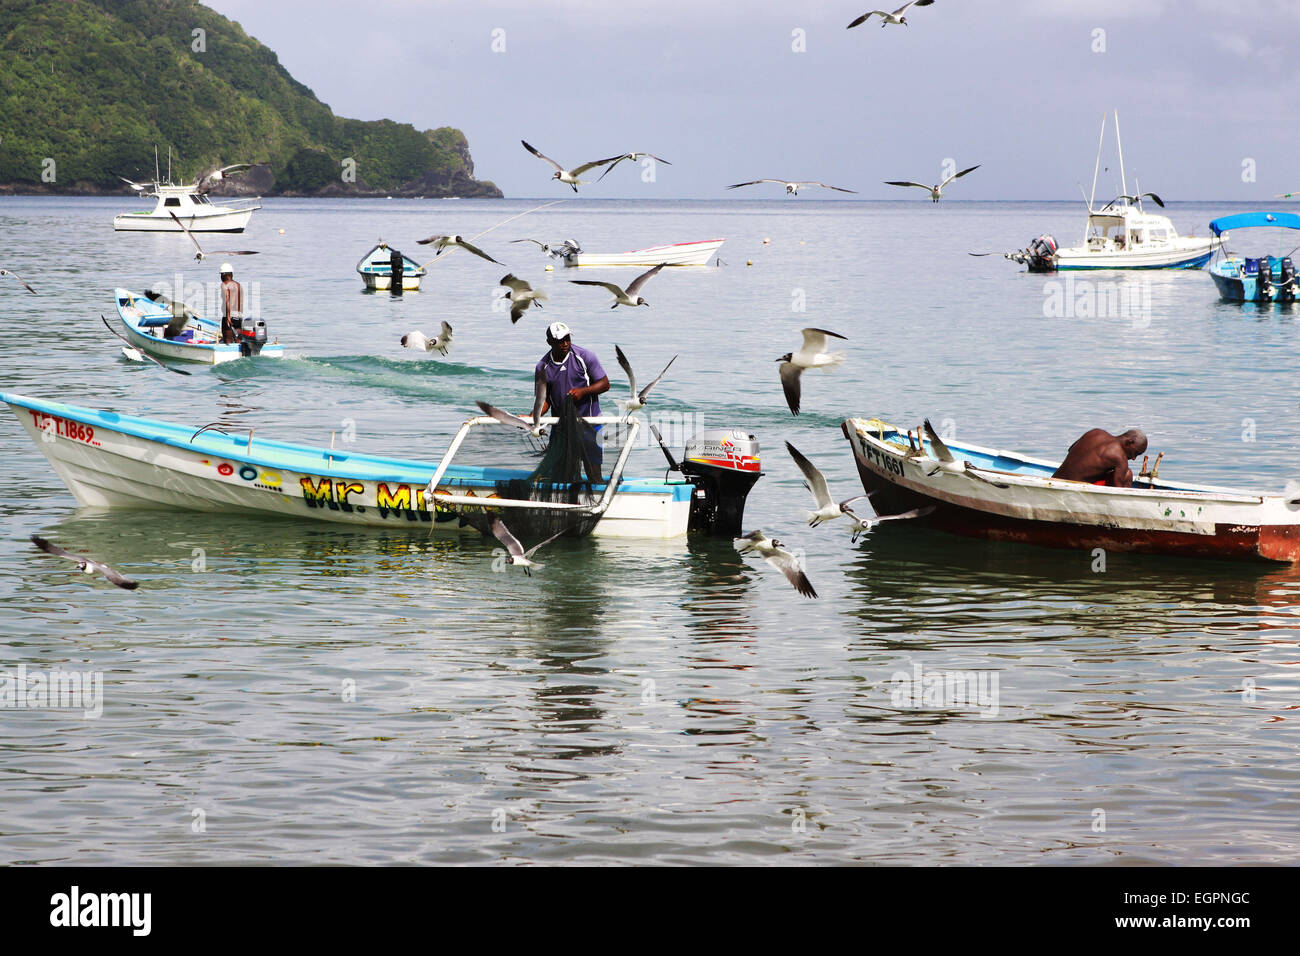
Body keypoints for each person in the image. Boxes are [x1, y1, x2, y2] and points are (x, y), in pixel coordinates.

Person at [536, 322, 610, 468]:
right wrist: (533, 416)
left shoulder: (585, 356)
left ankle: (595, 487)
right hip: (561, 426)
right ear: (549, 342)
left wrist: (582, 392)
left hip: (589, 423)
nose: (565, 343)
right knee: (563, 470)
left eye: (567, 338)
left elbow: (605, 384)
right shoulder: (542, 367)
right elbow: (544, 401)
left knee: (593, 470)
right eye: (559, 341)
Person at [1051, 428, 1148, 487]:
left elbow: (1071, 449)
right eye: (1135, 453)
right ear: (1129, 443)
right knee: (1127, 474)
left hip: (1054, 480)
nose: (1134, 458)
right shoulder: (1120, 458)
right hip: (1073, 489)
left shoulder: (1096, 432)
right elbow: (1118, 489)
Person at [219, 263, 242, 345]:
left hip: (228, 316)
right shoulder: (238, 285)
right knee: (238, 341)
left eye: (221, 274)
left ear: (224, 274)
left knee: (227, 341)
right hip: (238, 316)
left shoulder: (224, 284)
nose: (220, 277)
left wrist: (228, 317)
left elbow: (227, 299)